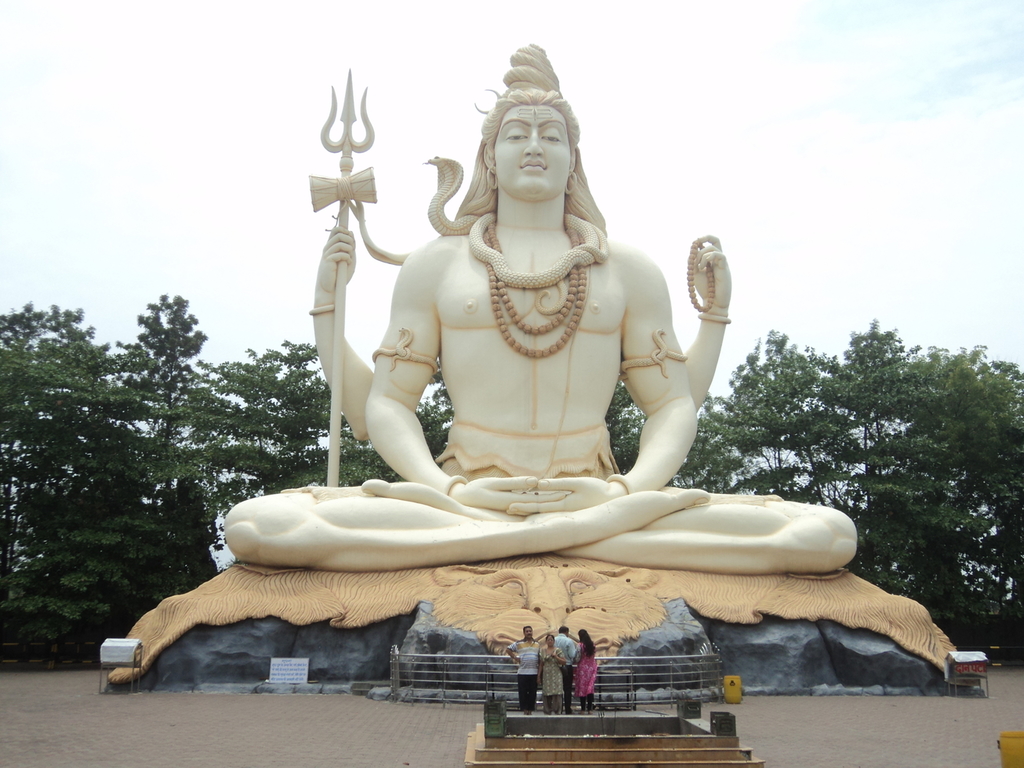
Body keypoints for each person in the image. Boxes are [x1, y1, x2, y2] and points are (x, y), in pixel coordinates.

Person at [223, 44, 857, 576]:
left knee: (827, 536)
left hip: (596, 493)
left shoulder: (626, 268)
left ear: (573, 157)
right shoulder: (437, 264)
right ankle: (557, 537)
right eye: (516, 133)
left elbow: (671, 403)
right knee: (259, 525)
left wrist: (628, 490)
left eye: (551, 134)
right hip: (463, 495)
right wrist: (444, 488)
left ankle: (532, 537)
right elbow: (385, 405)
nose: (534, 145)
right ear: (488, 157)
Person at [506, 625, 540, 714]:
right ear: (524, 633)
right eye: (527, 631)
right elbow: (508, 649)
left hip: (534, 672)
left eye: (530, 631)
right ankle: (524, 709)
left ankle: (530, 709)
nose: (529, 633)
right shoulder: (518, 643)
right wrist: (514, 657)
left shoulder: (537, 644)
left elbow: (540, 658)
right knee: (523, 692)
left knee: (532, 693)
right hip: (522, 672)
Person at [538, 634, 566, 715]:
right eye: (548, 640)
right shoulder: (542, 651)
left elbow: (564, 661)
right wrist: (539, 676)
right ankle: (547, 710)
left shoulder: (558, 650)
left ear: (554, 641)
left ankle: (557, 710)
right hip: (546, 674)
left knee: (557, 691)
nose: (550, 641)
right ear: (546, 641)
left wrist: (556, 657)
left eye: (551, 640)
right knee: (547, 692)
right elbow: (541, 664)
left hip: (556, 673)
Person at [554, 626, 578, 714]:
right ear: (567, 632)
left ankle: (558, 709)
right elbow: (572, 655)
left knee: (557, 688)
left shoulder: (553, 640)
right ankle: (568, 709)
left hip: (556, 666)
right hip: (567, 666)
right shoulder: (569, 641)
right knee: (567, 689)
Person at [574, 628, 597, 713]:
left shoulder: (580, 645)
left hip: (582, 669)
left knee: (582, 689)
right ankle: (590, 709)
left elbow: (577, 657)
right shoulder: (593, 645)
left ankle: (583, 709)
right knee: (590, 689)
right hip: (592, 668)